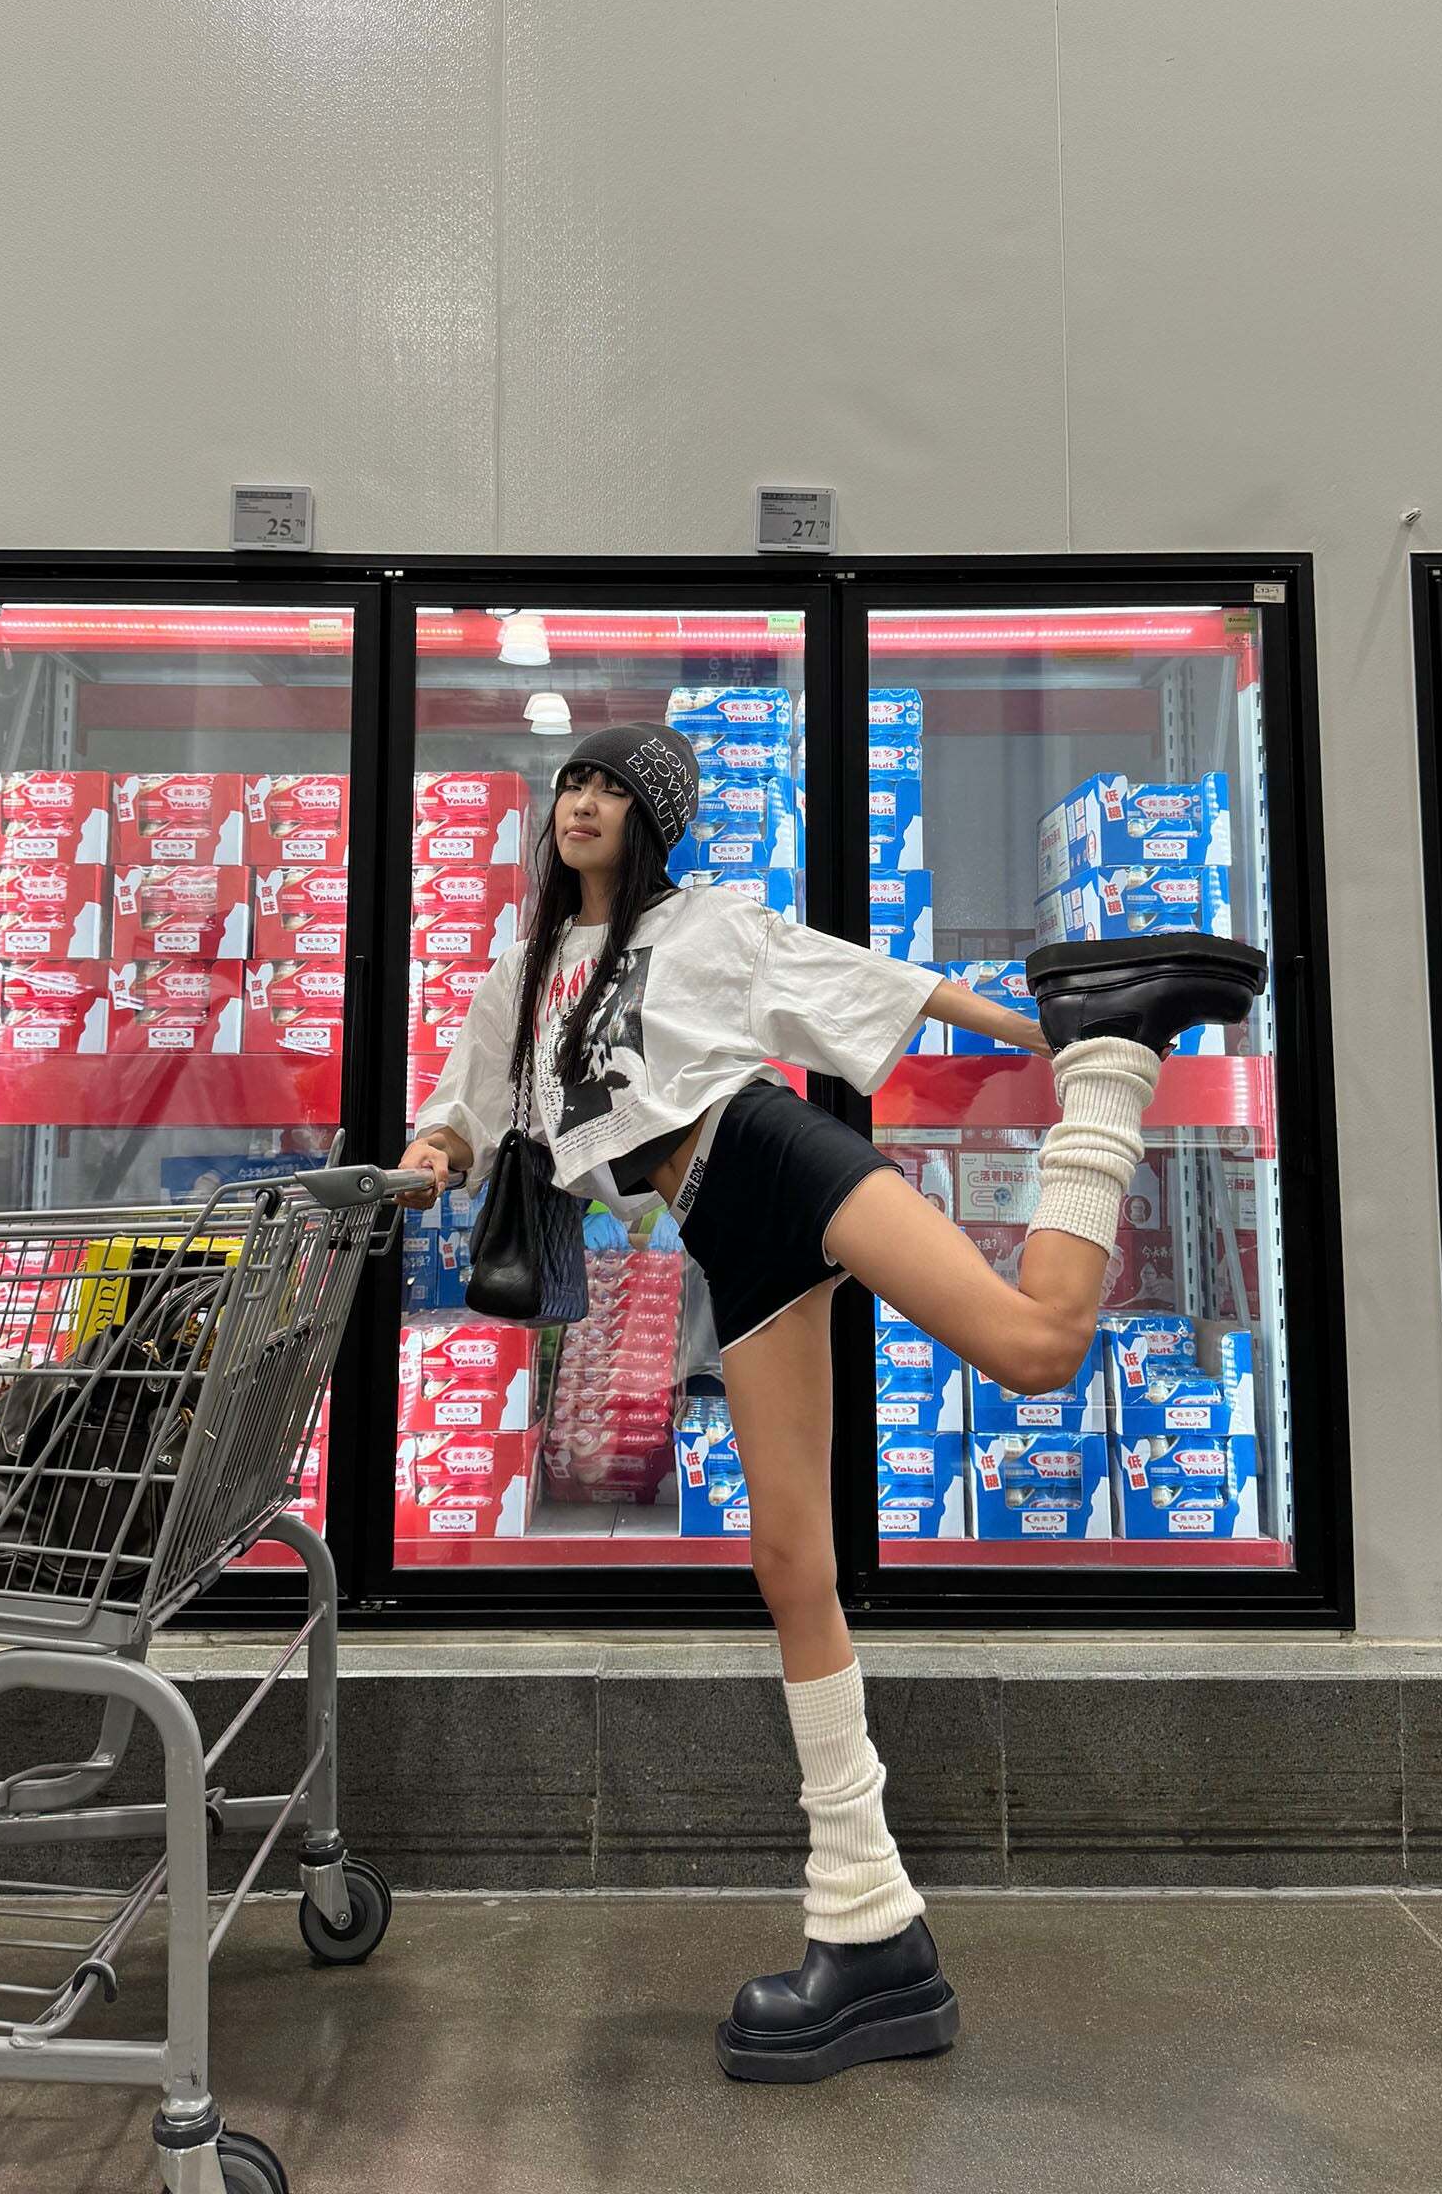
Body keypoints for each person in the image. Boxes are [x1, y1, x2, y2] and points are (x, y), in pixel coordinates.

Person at [397, 720, 1265, 2085]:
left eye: (611, 787)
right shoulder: (523, 970)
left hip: (770, 1156)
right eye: (571, 782)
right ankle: (868, 1925)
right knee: (790, 1563)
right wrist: (428, 1154)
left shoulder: (706, 926)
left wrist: (1047, 1031)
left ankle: (1114, 1059)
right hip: (719, 1232)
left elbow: (877, 984)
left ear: (651, 819)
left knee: (1037, 1346)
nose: (582, 803)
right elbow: (461, 1110)